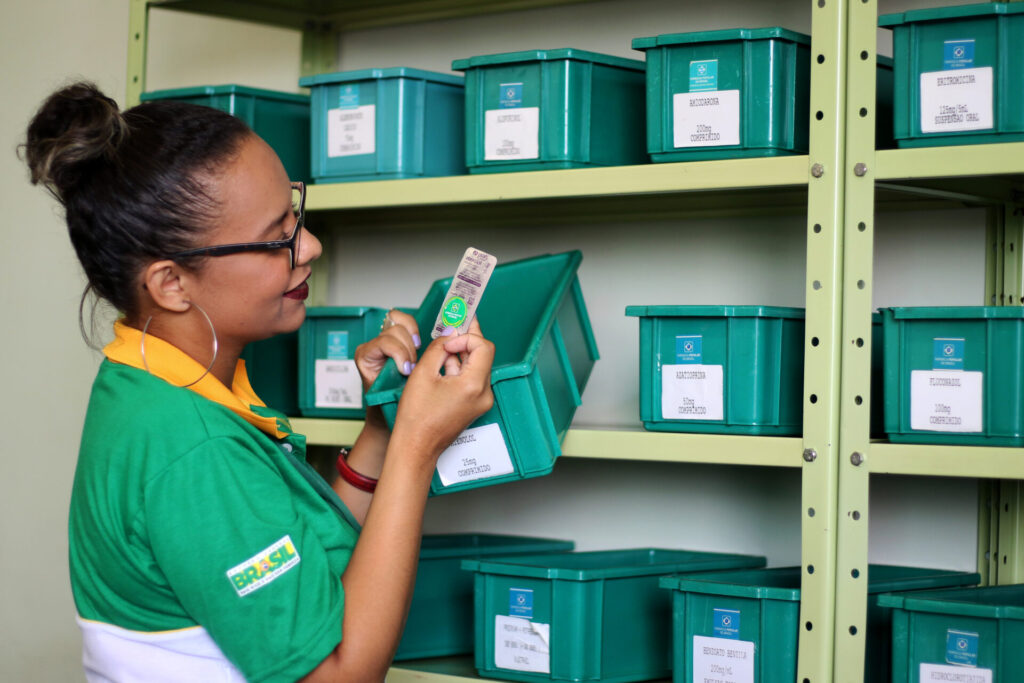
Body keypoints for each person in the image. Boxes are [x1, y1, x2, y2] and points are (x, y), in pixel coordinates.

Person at [23, 81, 495, 683]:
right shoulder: (193, 448)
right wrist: (418, 448)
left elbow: (306, 577)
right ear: (171, 284)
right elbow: (335, 675)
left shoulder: (155, 388)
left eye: (297, 214)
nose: (311, 246)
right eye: (279, 238)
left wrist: (383, 433)